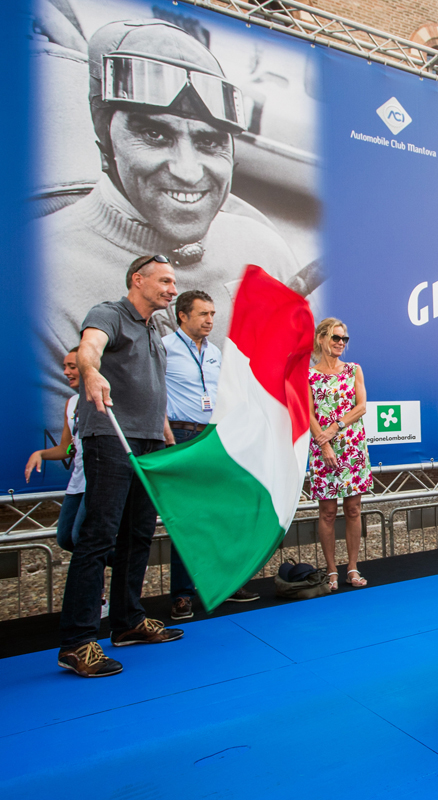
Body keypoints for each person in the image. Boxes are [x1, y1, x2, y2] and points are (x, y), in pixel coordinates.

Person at [37, 18, 300, 426]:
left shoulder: (263, 249)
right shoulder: (38, 278)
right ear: (106, 143)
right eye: (155, 135)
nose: (189, 172)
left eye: (209, 141)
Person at [57, 254, 184, 679]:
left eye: (173, 283)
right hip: (111, 437)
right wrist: (90, 372)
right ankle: (77, 642)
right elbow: (89, 348)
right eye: (165, 281)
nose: (171, 289)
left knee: (138, 535)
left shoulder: (156, 327)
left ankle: (128, 621)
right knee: (99, 535)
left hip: (148, 440)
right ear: (138, 280)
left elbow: (152, 386)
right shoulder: (108, 314)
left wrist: (163, 429)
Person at [162, 290, 259, 621]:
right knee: (188, 518)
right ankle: (182, 595)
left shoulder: (216, 352)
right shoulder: (164, 348)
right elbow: (153, 393)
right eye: (203, 314)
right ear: (182, 316)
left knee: (222, 514)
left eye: (213, 314)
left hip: (214, 438)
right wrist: (166, 436)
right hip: (181, 436)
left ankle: (225, 585)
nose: (209, 320)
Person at [308, 318, 371, 591]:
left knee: (354, 509)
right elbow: (307, 414)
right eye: (335, 337)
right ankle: (332, 570)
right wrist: (324, 444)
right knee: (328, 511)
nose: (340, 343)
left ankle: (353, 568)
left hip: (352, 445)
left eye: (344, 339)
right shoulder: (308, 375)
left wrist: (335, 427)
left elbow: (361, 406)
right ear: (321, 338)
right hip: (324, 448)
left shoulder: (353, 369)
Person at [26, 347, 88, 552]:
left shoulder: (104, 398)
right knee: (65, 539)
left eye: (72, 367)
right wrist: (40, 454)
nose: (66, 372)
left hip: (98, 481)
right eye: (64, 367)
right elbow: (67, 448)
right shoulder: (71, 403)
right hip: (77, 482)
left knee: (82, 537)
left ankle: (127, 568)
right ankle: (127, 565)